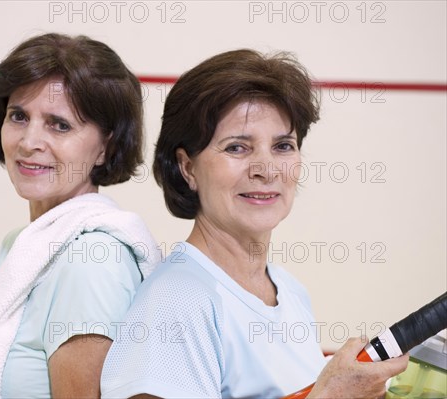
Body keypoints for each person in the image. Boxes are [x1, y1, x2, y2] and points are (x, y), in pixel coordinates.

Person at [100, 49, 409, 398]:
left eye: (283, 146)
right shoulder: (176, 303)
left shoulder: (290, 292)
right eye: (236, 148)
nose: (266, 168)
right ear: (187, 168)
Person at [0, 32, 159, 398]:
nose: (29, 142)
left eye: (59, 124)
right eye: (18, 116)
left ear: (105, 147)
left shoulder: (90, 262)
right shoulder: (24, 245)